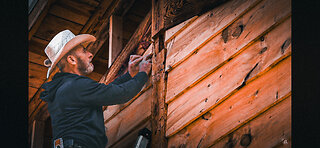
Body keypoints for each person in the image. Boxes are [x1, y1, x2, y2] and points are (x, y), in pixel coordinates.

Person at [40, 30, 152, 148]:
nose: (90, 54)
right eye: (84, 51)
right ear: (72, 59)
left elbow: (107, 90)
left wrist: (129, 75)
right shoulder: (75, 86)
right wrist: (143, 73)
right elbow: (121, 94)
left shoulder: (65, 88)